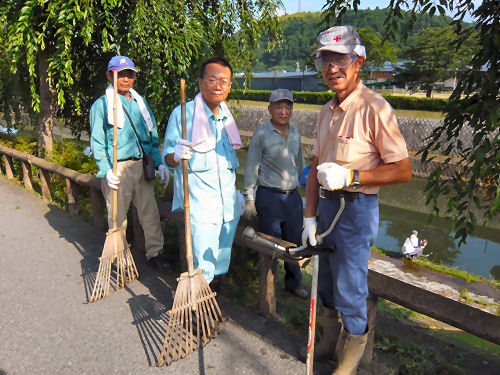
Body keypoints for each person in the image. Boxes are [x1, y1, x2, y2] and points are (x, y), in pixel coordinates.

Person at [301, 26, 412, 374]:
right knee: (326, 283)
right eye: (326, 60)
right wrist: (308, 216)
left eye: (341, 59)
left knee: (350, 288)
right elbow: (315, 166)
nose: (332, 68)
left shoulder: (374, 108)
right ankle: (330, 344)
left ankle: (347, 364)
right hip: (326, 205)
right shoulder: (326, 111)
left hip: (357, 209)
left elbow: (403, 170)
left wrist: (353, 177)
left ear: (358, 60)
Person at [163, 57, 245, 289]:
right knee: (201, 266)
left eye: (224, 81)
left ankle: (211, 304)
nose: (218, 85)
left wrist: (237, 193)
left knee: (219, 264)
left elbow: (231, 164)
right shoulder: (183, 114)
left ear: (229, 87)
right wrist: (176, 155)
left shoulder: (227, 118)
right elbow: (169, 158)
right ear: (200, 83)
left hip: (228, 208)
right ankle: (196, 313)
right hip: (201, 209)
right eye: (212, 79)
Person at [89, 56, 171, 272]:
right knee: (117, 217)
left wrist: (159, 162)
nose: (126, 78)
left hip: (141, 165)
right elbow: (97, 141)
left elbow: (152, 135)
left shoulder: (140, 102)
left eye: (129, 74)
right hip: (118, 168)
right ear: (109, 76)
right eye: (120, 74)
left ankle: (156, 253)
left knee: (149, 213)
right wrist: (106, 170)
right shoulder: (101, 105)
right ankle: (119, 257)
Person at [243, 88, 308, 299]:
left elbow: (300, 163)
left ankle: (293, 283)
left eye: (287, 106)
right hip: (269, 197)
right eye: (278, 106)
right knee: (270, 244)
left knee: (294, 242)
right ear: (270, 109)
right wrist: (249, 199)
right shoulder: (261, 135)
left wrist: (307, 185)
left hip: (292, 198)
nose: (283, 111)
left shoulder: (296, 132)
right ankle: (268, 286)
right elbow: (251, 168)